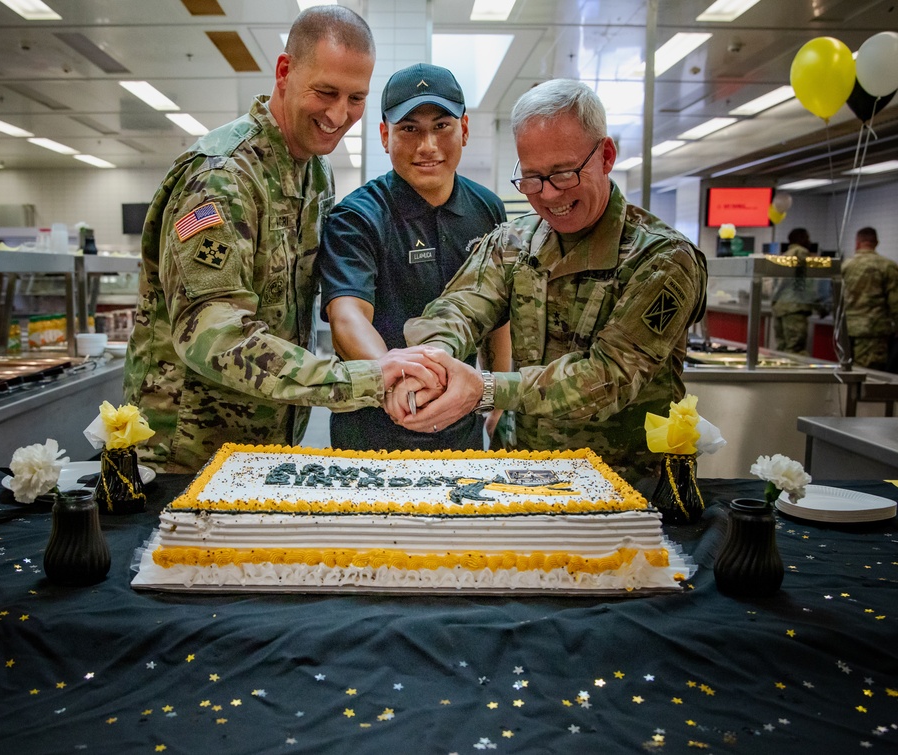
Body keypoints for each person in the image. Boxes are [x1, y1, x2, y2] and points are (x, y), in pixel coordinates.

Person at [123, 6, 442, 473]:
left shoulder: (314, 173)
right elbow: (212, 335)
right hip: (184, 454)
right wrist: (359, 380)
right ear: (284, 71)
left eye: (356, 98)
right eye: (326, 92)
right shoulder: (221, 177)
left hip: (262, 446)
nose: (339, 114)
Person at [389, 78, 708, 485]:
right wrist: (432, 360)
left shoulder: (662, 258)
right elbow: (461, 307)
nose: (548, 194)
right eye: (532, 178)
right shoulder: (515, 241)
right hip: (523, 474)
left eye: (564, 173)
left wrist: (486, 389)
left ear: (605, 156)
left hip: (626, 484)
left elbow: (607, 377)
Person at [317, 63, 509, 451]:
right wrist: (400, 376)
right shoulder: (357, 216)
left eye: (442, 126)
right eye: (410, 129)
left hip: (460, 428)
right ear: (386, 135)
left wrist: (498, 394)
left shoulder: (488, 210)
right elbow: (347, 316)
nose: (428, 146)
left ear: (465, 129)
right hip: (371, 428)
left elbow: (499, 315)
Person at [841, 226, 898, 371]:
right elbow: (895, 302)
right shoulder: (887, 266)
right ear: (876, 242)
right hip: (873, 331)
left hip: (847, 329)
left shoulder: (846, 265)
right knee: (869, 374)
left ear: (857, 242)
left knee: (846, 371)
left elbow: (835, 296)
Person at [771, 228, 829, 354]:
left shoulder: (784, 255)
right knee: (795, 351)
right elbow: (803, 285)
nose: (810, 241)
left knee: (781, 350)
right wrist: (820, 307)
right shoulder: (801, 253)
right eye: (808, 238)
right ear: (802, 239)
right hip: (795, 309)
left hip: (780, 308)